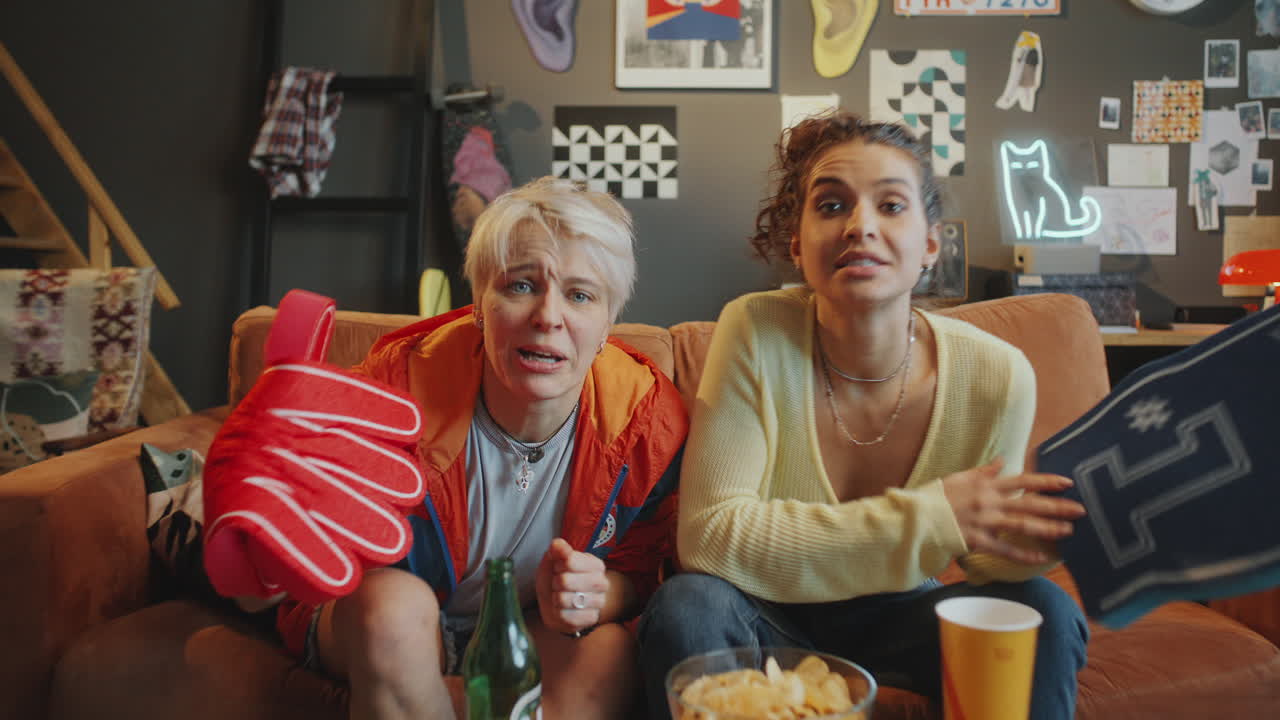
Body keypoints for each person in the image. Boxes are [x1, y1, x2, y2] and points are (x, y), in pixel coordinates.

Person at [638, 112, 1089, 719]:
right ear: (797, 244)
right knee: (687, 604)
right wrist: (931, 516)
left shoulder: (999, 375)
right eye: (830, 206)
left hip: (900, 616)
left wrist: (1035, 544)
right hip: (762, 616)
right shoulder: (754, 329)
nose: (860, 226)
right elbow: (710, 538)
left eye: (892, 206)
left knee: (1044, 609)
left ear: (931, 243)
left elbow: (983, 560)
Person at [274, 176, 688, 719]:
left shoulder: (647, 420)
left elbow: (642, 574)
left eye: (580, 295)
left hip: (529, 627)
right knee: (393, 609)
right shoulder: (396, 383)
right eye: (520, 286)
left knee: (607, 651)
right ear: (478, 302)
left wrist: (599, 594)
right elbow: (313, 538)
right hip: (388, 621)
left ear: (609, 322)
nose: (548, 316)